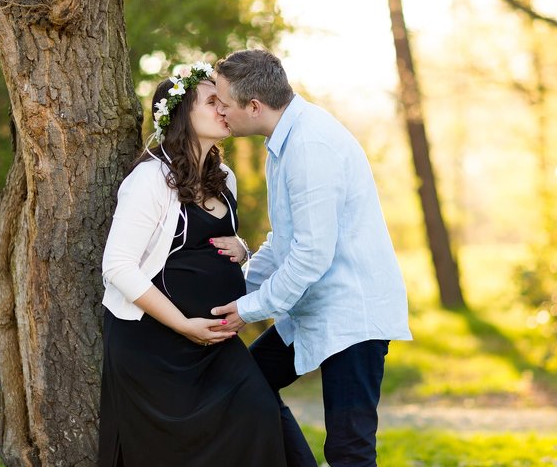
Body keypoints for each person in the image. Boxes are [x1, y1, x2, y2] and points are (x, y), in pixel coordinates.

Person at [209, 49, 413, 467]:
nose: (220, 112)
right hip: (314, 308)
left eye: (224, 104)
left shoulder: (310, 145)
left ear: (254, 106)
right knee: (248, 387)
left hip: (352, 314)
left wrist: (249, 309)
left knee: (349, 449)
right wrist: (233, 290)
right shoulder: (283, 142)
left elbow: (310, 255)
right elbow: (284, 241)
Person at [97, 62, 286, 467]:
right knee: (168, 454)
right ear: (182, 114)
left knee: (259, 415)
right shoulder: (151, 179)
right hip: (154, 346)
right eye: (212, 101)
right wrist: (184, 325)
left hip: (215, 344)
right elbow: (118, 265)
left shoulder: (226, 177)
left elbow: (204, 248)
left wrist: (242, 248)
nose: (224, 108)